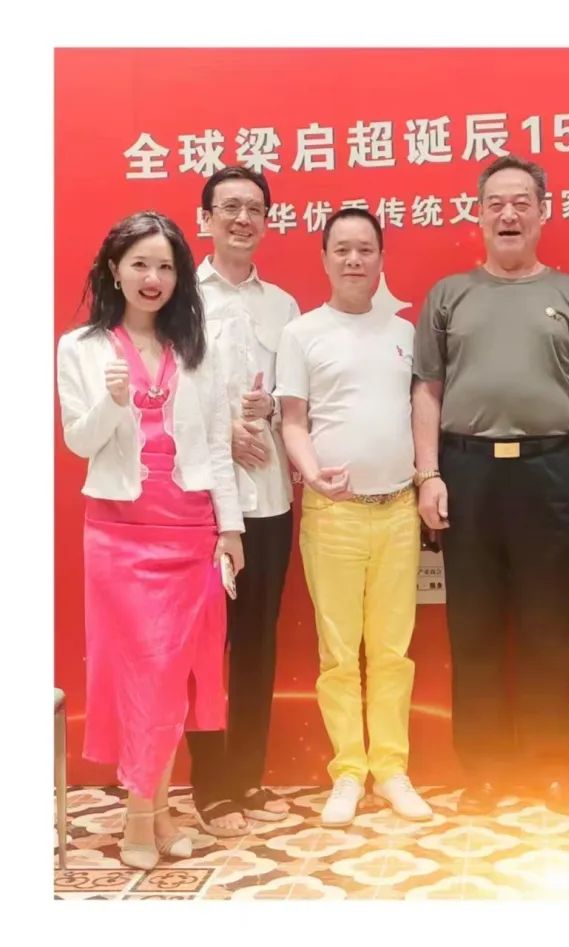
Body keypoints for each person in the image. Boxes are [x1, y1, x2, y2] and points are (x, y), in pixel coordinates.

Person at [412, 155, 569, 815]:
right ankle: (486, 770)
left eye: (522, 201)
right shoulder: (448, 295)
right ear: (478, 214)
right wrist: (429, 473)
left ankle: (552, 767)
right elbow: (427, 390)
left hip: (548, 469)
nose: (508, 214)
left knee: (549, 623)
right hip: (466, 470)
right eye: (495, 202)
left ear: (543, 212)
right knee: (474, 625)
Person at [56, 211, 244, 870]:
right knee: (143, 677)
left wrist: (230, 526)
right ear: (115, 270)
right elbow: (79, 442)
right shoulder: (80, 347)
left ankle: (158, 812)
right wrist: (113, 401)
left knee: (172, 681)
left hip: (190, 531)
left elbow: (216, 446)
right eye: (140, 263)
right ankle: (141, 817)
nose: (153, 277)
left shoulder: (196, 347)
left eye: (165, 266)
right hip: (120, 535)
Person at [277, 208, 431, 825]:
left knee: (393, 651)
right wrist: (313, 472)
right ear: (324, 258)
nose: (353, 260)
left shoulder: (405, 333)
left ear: (381, 258)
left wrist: (426, 479)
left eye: (365, 249)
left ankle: (391, 770)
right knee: (339, 654)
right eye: (341, 249)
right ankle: (347, 772)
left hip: (397, 509)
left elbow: (422, 411)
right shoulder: (302, 333)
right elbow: (292, 421)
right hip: (333, 513)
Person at [185, 166, 300, 837]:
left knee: (257, 640)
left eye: (255, 208)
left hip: (271, 496)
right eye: (229, 207)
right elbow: (163, 392)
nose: (242, 219)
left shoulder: (283, 305)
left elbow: (298, 396)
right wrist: (220, 431)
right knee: (207, 644)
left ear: (267, 221)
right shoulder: (179, 299)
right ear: (205, 218)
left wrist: (270, 407)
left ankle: (248, 774)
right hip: (202, 500)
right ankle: (210, 782)